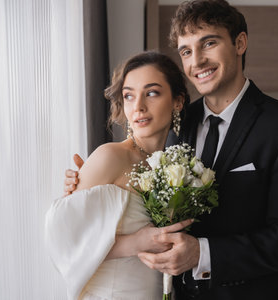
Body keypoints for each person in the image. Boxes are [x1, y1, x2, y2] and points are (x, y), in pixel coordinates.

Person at [66, 1, 278, 299]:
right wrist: (88, 185)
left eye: (209, 43)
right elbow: (135, 190)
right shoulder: (173, 123)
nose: (197, 61)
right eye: (186, 51)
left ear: (240, 42)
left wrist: (202, 254)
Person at [45, 51, 194, 300]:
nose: (138, 107)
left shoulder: (171, 167)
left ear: (177, 101)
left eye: (152, 93)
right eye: (129, 96)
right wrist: (136, 242)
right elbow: (63, 237)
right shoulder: (110, 156)